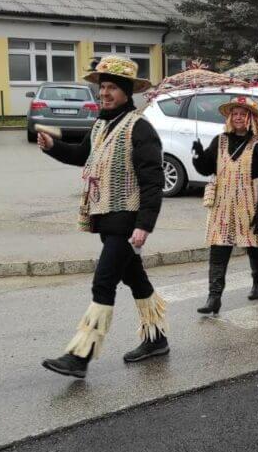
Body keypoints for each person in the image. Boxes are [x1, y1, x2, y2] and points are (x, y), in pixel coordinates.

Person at [38, 56, 167, 379]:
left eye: (112, 88)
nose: (104, 93)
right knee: (135, 279)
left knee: (104, 281)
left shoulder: (140, 128)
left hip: (127, 221)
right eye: (102, 87)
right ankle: (156, 340)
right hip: (106, 218)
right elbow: (81, 155)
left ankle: (80, 356)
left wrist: (144, 225)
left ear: (126, 92)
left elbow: (153, 182)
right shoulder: (101, 125)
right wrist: (52, 146)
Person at [192, 96, 258, 314]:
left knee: (254, 246)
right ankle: (214, 297)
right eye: (235, 114)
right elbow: (206, 169)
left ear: (251, 119)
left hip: (250, 203)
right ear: (230, 118)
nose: (238, 117)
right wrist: (197, 156)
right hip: (222, 204)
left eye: (243, 114)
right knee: (218, 248)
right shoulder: (219, 141)